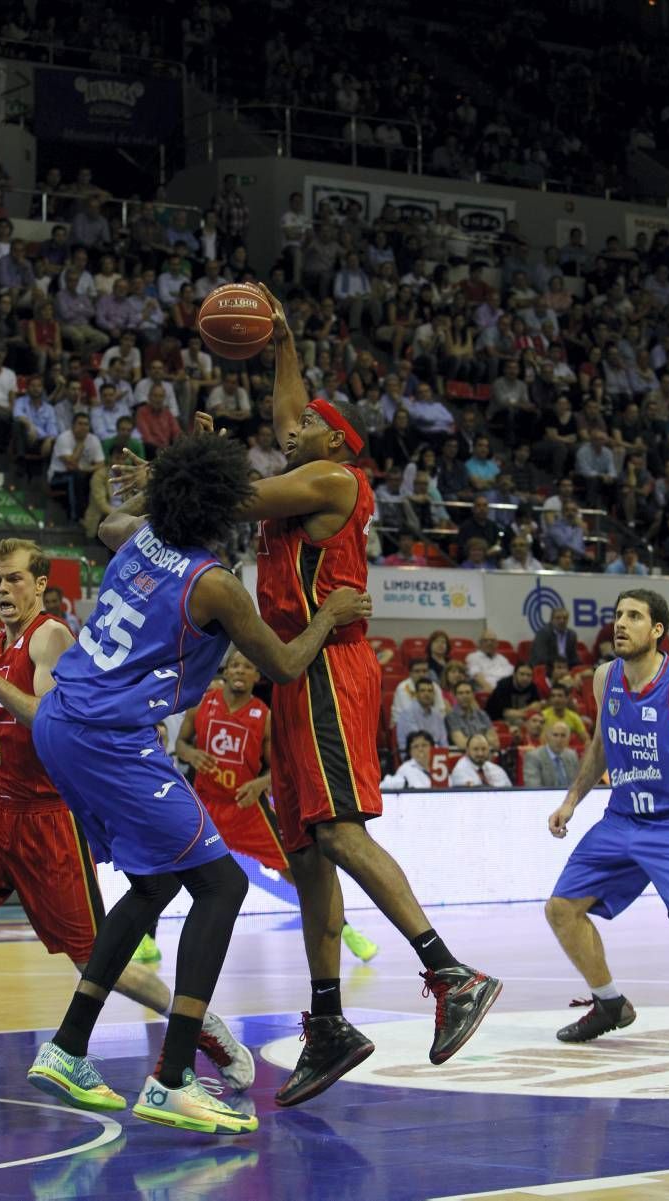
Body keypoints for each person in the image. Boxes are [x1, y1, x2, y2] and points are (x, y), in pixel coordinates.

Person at [0, 444, 369, 1134]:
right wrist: (329, 614)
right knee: (222, 886)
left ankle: (66, 1047)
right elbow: (287, 664)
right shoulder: (216, 585)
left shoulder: (136, 535)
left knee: (154, 887)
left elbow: (110, 523)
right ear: (220, 510)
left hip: (61, 721)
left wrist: (156, 486)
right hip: (107, 736)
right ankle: (173, 1077)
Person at [203, 286, 501, 1106]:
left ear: (335, 440)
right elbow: (286, 407)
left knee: (336, 829)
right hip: (295, 674)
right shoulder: (308, 451)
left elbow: (243, 493)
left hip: (331, 664)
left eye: (305, 425)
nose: (288, 428)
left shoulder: (331, 478)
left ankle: (451, 970)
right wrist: (286, 338)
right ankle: (329, 1019)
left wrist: (185, 470)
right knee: (304, 855)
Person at [0, 550, 249, 1084]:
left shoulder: (49, 637)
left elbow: (50, 718)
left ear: (39, 585)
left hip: (46, 822)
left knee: (95, 961)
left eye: (10, 580)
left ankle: (202, 1026)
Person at [544, 589, 669, 1057]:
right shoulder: (604, 678)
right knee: (560, 909)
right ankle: (610, 1003)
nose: (621, 623)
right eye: (617, 615)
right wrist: (572, 800)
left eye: (634, 617)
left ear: (657, 631)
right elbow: (600, 744)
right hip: (621, 818)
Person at [174, 650, 379, 964]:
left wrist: (259, 784)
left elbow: (277, 768)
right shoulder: (202, 704)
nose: (241, 670)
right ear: (225, 671)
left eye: (249, 665)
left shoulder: (264, 716)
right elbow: (180, 744)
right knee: (171, 866)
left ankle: (346, 930)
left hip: (247, 807)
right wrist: (190, 755)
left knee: (299, 870)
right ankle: (147, 941)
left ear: (258, 676)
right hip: (207, 807)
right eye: (235, 665)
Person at [395, 677, 448, 750]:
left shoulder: (437, 714)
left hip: (435, 753)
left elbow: (443, 741)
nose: (427, 694)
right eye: (422, 691)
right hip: (413, 753)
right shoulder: (407, 713)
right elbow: (417, 741)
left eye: (430, 691)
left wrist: (445, 753)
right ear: (416, 694)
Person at [523, 721, 580, 787]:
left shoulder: (572, 755)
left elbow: (577, 784)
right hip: (545, 796)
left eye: (563, 735)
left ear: (568, 738)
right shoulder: (533, 757)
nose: (559, 740)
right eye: (555, 735)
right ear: (548, 737)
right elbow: (534, 787)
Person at [445, 680, 492, 749]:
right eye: (460, 693)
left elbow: (495, 742)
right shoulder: (451, 717)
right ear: (455, 696)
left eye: (468, 692)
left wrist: (470, 741)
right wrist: (484, 739)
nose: (465, 696)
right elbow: (461, 744)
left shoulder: (482, 715)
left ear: (473, 694)